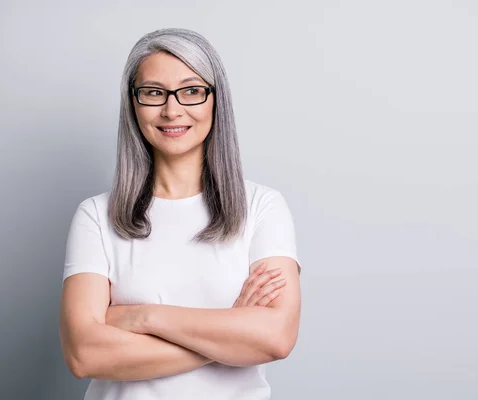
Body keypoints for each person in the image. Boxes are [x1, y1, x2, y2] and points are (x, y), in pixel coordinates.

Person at [59, 27, 302, 400]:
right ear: (133, 104)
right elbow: (83, 354)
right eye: (154, 93)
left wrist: (143, 317)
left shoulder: (263, 207)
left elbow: (276, 338)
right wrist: (231, 334)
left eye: (192, 91)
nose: (172, 110)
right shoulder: (95, 215)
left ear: (215, 101)